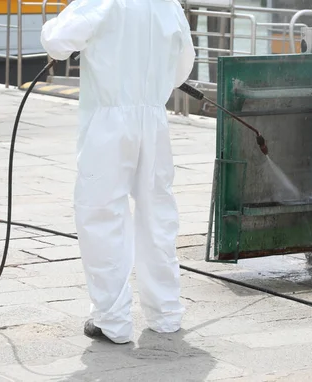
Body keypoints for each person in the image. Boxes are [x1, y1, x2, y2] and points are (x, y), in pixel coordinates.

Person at [40, 0, 196, 344]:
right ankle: (166, 313)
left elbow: (57, 41)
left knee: (101, 214)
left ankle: (112, 320)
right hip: (153, 119)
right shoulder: (168, 4)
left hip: (109, 121)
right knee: (158, 215)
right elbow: (182, 68)